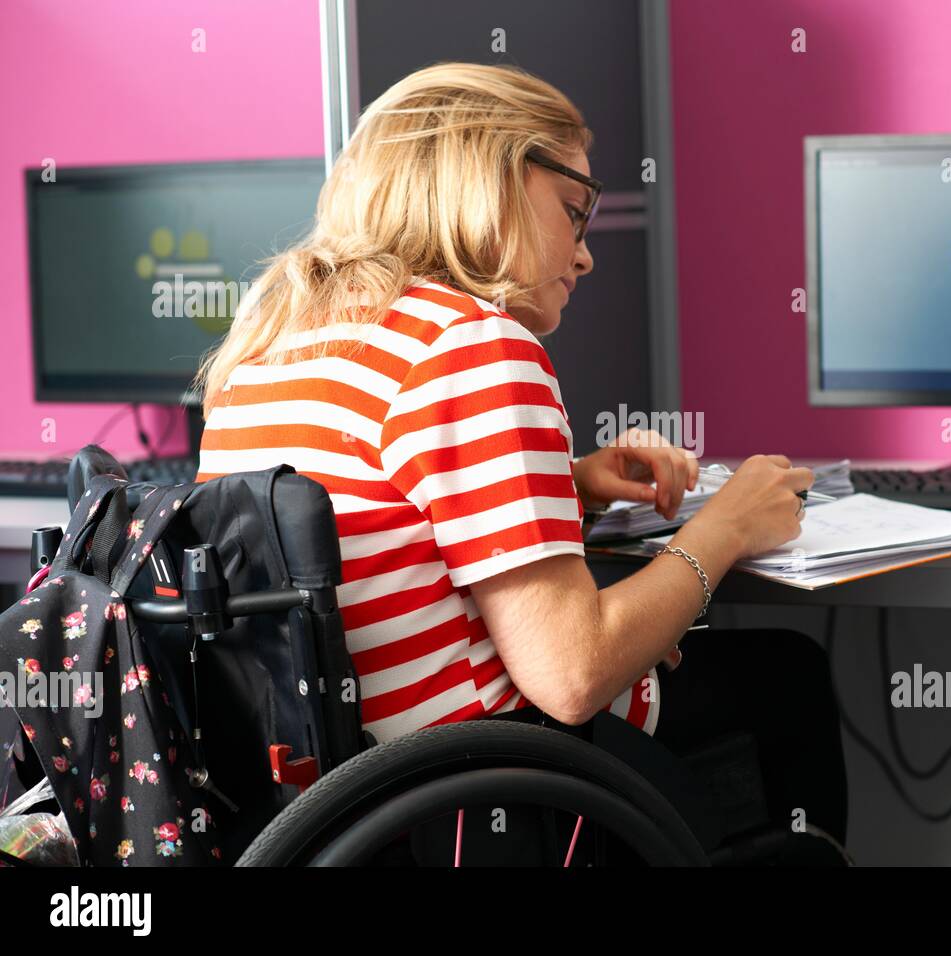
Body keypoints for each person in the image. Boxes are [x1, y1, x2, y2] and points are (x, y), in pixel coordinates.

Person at [192, 62, 847, 857]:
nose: (585, 255)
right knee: (785, 678)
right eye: (575, 211)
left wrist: (568, 483)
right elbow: (572, 673)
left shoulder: (272, 345)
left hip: (347, 817)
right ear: (492, 177)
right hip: (489, 803)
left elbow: (371, 520)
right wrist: (726, 530)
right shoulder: (473, 344)